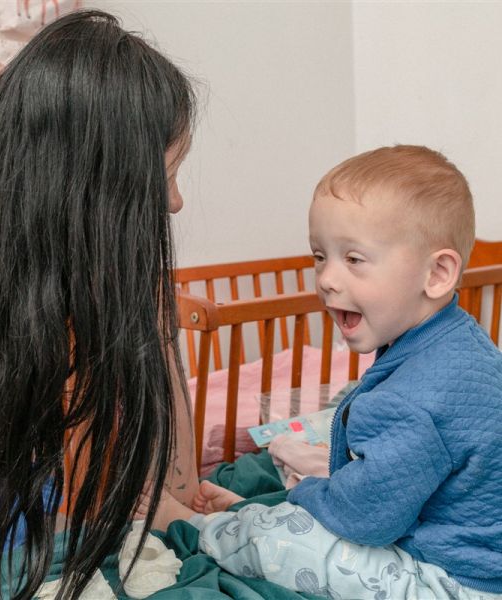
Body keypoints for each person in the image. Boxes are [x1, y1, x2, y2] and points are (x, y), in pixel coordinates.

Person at [0, 10, 197, 599]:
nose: (174, 202)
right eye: (163, 176)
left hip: (4, 465)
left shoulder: (54, 212)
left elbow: (152, 349)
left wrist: (175, 505)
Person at [147, 146, 502, 599]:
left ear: (437, 273)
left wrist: (305, 495)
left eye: (353, 259)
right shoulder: (463, 342)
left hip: (451, 581)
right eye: (320, 256)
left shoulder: (411, 401)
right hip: (470, 554)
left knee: (283, 541)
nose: (327, 278)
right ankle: (242, 517)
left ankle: (195, 526)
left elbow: (363, 519)